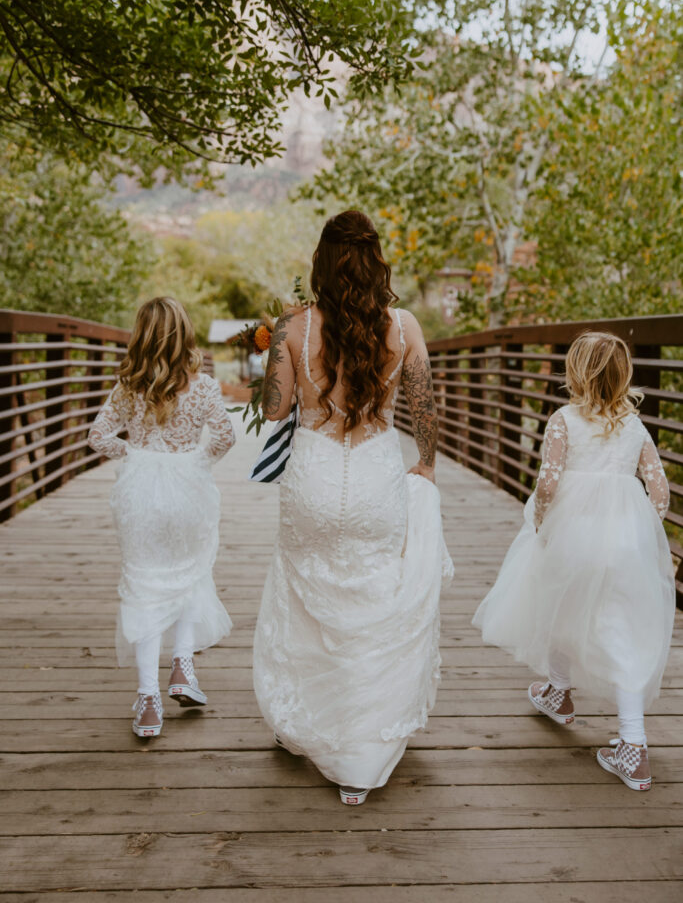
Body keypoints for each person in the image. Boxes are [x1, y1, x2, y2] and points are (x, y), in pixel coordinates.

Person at [252, 209, 453, 805]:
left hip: (313, 474)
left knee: (307, 598)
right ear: (375, 262)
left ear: (321, 262)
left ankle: (304, 726)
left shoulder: (294, 326)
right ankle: (360, 751)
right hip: (373, 477)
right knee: (371, 600)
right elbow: (424, 409)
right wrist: (428, 465)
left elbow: (272, 409)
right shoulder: (405, 326)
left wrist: (271, 348)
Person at [473, 331, 674, 790]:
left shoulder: (563, 420)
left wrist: (544, 524)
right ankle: (595, 718)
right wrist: (642, 529)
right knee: (619, 625)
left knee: (561, 598)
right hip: (624, 543)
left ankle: (596, 719)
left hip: (574, 536)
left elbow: (546, 485)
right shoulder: (635, 426)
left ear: (576, 373)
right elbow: (659, 491)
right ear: (623, 376)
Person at [88, 297, 235, 738]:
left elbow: (97, 437)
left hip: (140, 495)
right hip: (188, 490)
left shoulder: (128, 386)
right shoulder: (203, 386)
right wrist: (196, 463)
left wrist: (133, 454)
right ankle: (183, 670)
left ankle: (149, 699)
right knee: (190, 572)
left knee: (145, 585)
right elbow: (226, 436)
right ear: (185, 334)